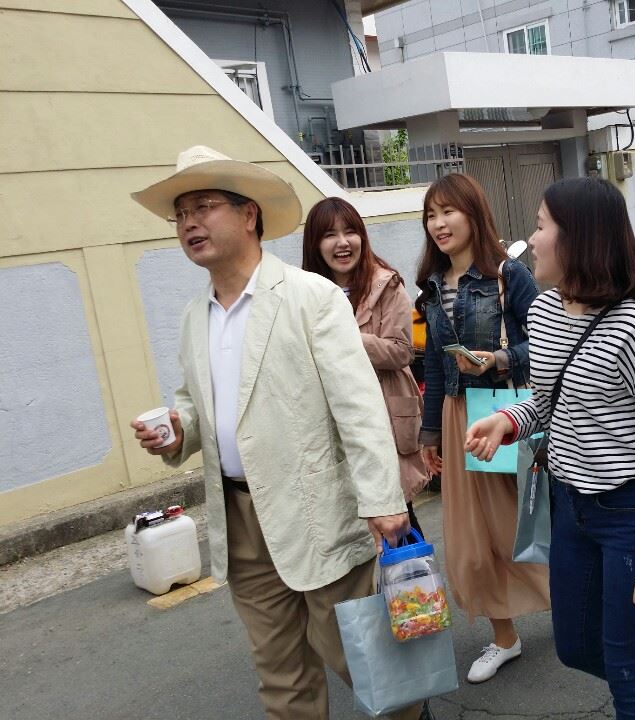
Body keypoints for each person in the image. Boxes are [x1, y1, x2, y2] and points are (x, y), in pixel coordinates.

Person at [128, 146, 426, 720]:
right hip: (241, 519)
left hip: (318, 508)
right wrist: (178, 430)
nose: (189, 222)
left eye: (204, 206)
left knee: (364, 659)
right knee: (281, 676)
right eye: (181, 213)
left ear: (249, 215)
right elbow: (196, 403)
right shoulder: (195, 316)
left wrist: (383, 500)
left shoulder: (310, 296)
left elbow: (359, 406)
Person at [465, 177, 635, 719]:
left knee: (627, 672)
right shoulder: (544, 312)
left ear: (579, 238)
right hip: (568, 506)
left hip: (631, 512)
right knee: (574, 648)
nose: (531, 238)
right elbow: (551, 402)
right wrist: (508, 419)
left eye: (541, 226)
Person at [415, 173, 550, 683]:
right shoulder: (431, 285)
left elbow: (548, 342)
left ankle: (577, 598)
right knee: (474, 540)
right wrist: (430, 434)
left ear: (473, 213)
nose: (439, 223)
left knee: (528, 525)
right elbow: (433, 364)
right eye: (431, 215)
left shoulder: (509, 275)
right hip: (457, 417)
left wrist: (497, 358)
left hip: (506, 410)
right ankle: (504, 637)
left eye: (448, 211)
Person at [302, 197, 429, 534]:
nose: (342, 243)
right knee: (348, 528)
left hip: (385, 421)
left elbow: (401, 351)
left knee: (396, 519)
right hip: (332, 424)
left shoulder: (386, 285)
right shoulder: (305, 295)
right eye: (329, 235)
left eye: (350, 232)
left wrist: (341, 338)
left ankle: (411, 570)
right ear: (315, 244)